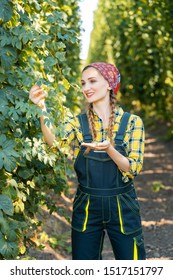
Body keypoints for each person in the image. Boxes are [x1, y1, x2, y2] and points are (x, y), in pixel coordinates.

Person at [29, 62, 146, 260]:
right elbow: (55, 144)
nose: (86, 88)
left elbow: (132, 168)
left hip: (123, 204)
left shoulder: (132, 122)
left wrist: (109, 148)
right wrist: (42, 108)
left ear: (109, 84)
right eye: (83, 83)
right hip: (87, 205)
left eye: (92, 81)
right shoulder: (78, 123)